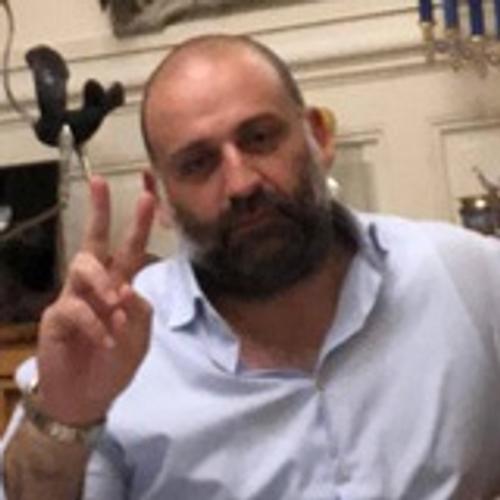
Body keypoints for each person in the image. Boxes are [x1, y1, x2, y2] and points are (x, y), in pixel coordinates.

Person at [1, 33, 500, 500]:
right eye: (198, 164)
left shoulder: (466, 277)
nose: (241, 184)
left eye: (259, 138)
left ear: (319, 137)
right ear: (162, 198)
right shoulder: (108, 343)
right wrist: (66, 418)